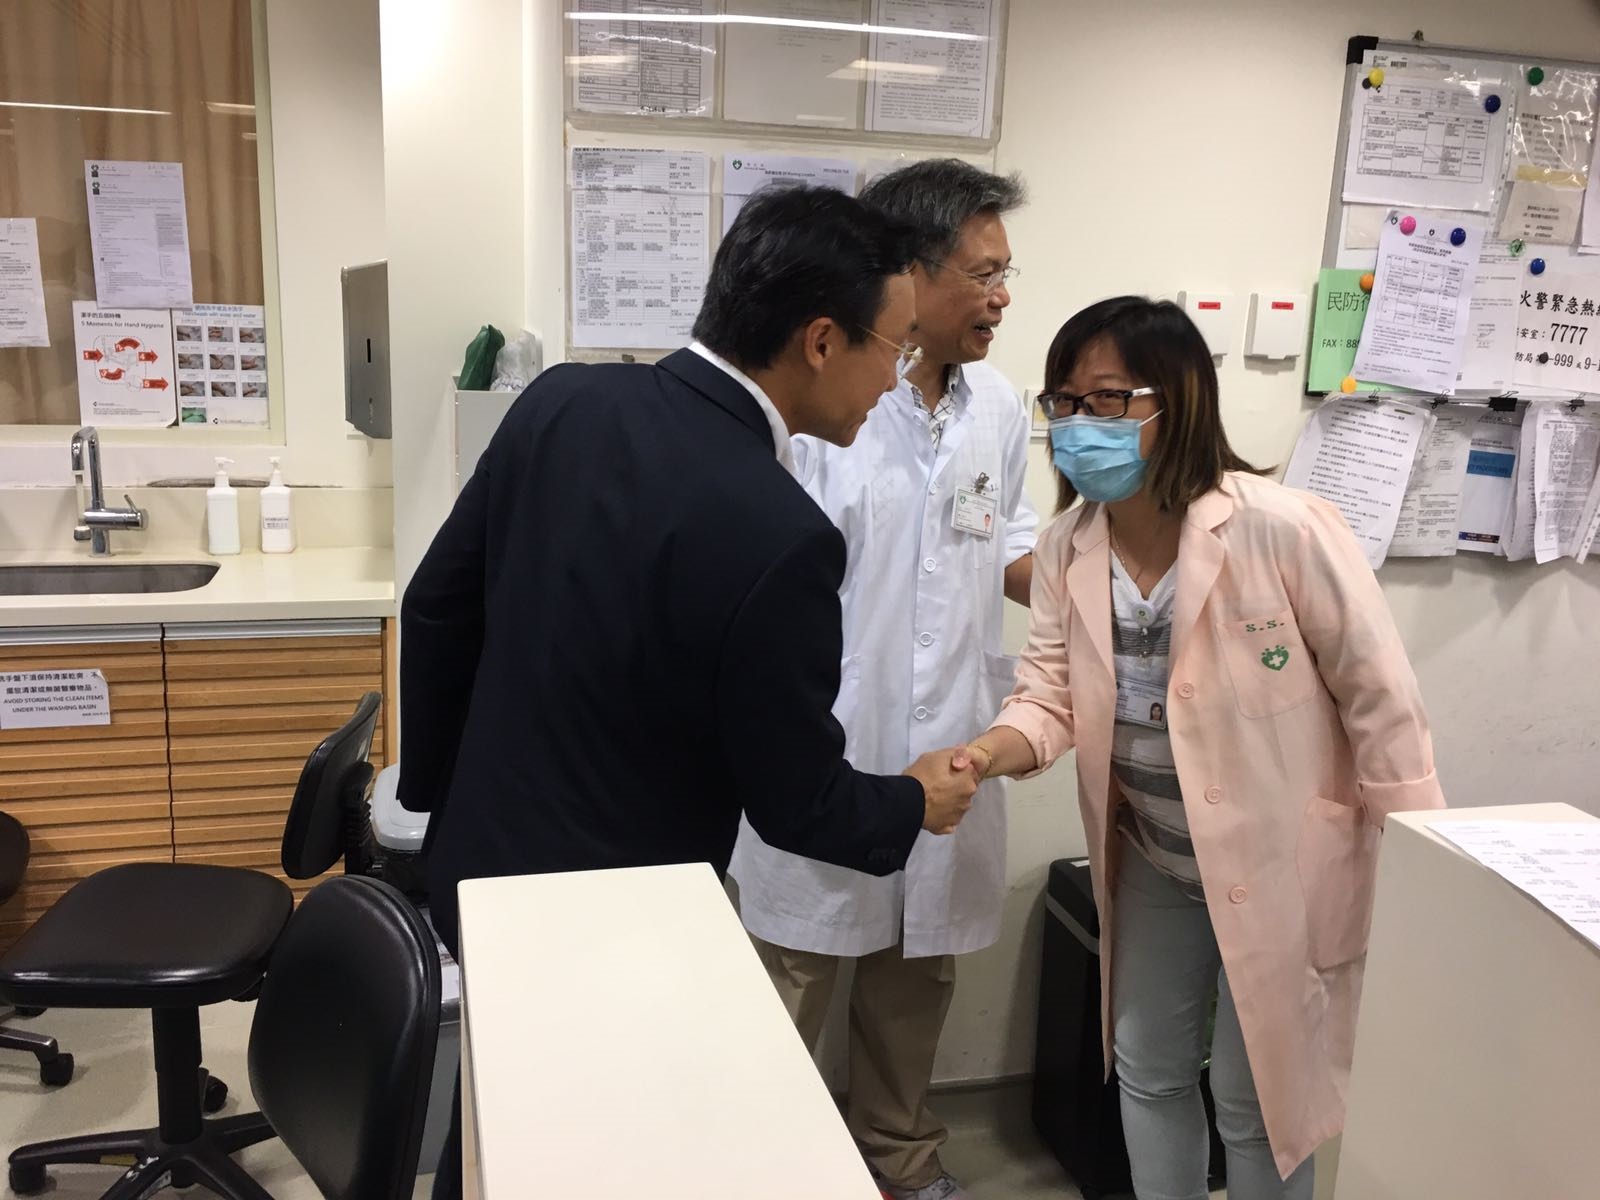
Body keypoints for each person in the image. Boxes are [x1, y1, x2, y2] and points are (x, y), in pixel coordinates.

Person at [399, 186, 983, 1199]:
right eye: (892, 349)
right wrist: (914, 802)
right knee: (591, 1155)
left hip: (483, 870)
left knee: (494, 1126)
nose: (893, 380)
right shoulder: (781, 533)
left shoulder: (563, 402)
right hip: (624, 917)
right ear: (819, 341)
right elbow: (797, 802)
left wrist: (442, 802)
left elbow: (437, 607)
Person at [954, 296, 1445, 1200]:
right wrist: (985, 755)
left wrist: (1422, 860)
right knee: (1147, 1066)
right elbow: (1049, 695)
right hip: (1157, 858)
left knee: (1260, 1099)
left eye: (1106, 399)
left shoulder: (1283, 527)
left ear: (1174, 401)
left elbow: (1381, 699)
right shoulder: (1067, 549)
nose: (1078, 424)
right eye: (1064, 403)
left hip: (1285, 863)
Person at [728, 160, 1036, 1200]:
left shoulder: (998, 407)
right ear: (911, 271)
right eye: (982, 273)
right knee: (790, 975)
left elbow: (1009, 540)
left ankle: (901, 1158)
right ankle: (760, 1175)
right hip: (830, 743)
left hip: (948, 741)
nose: (1001, 296)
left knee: (916, 972)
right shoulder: (828, 403)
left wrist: (1113, 587)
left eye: (1007, 274)